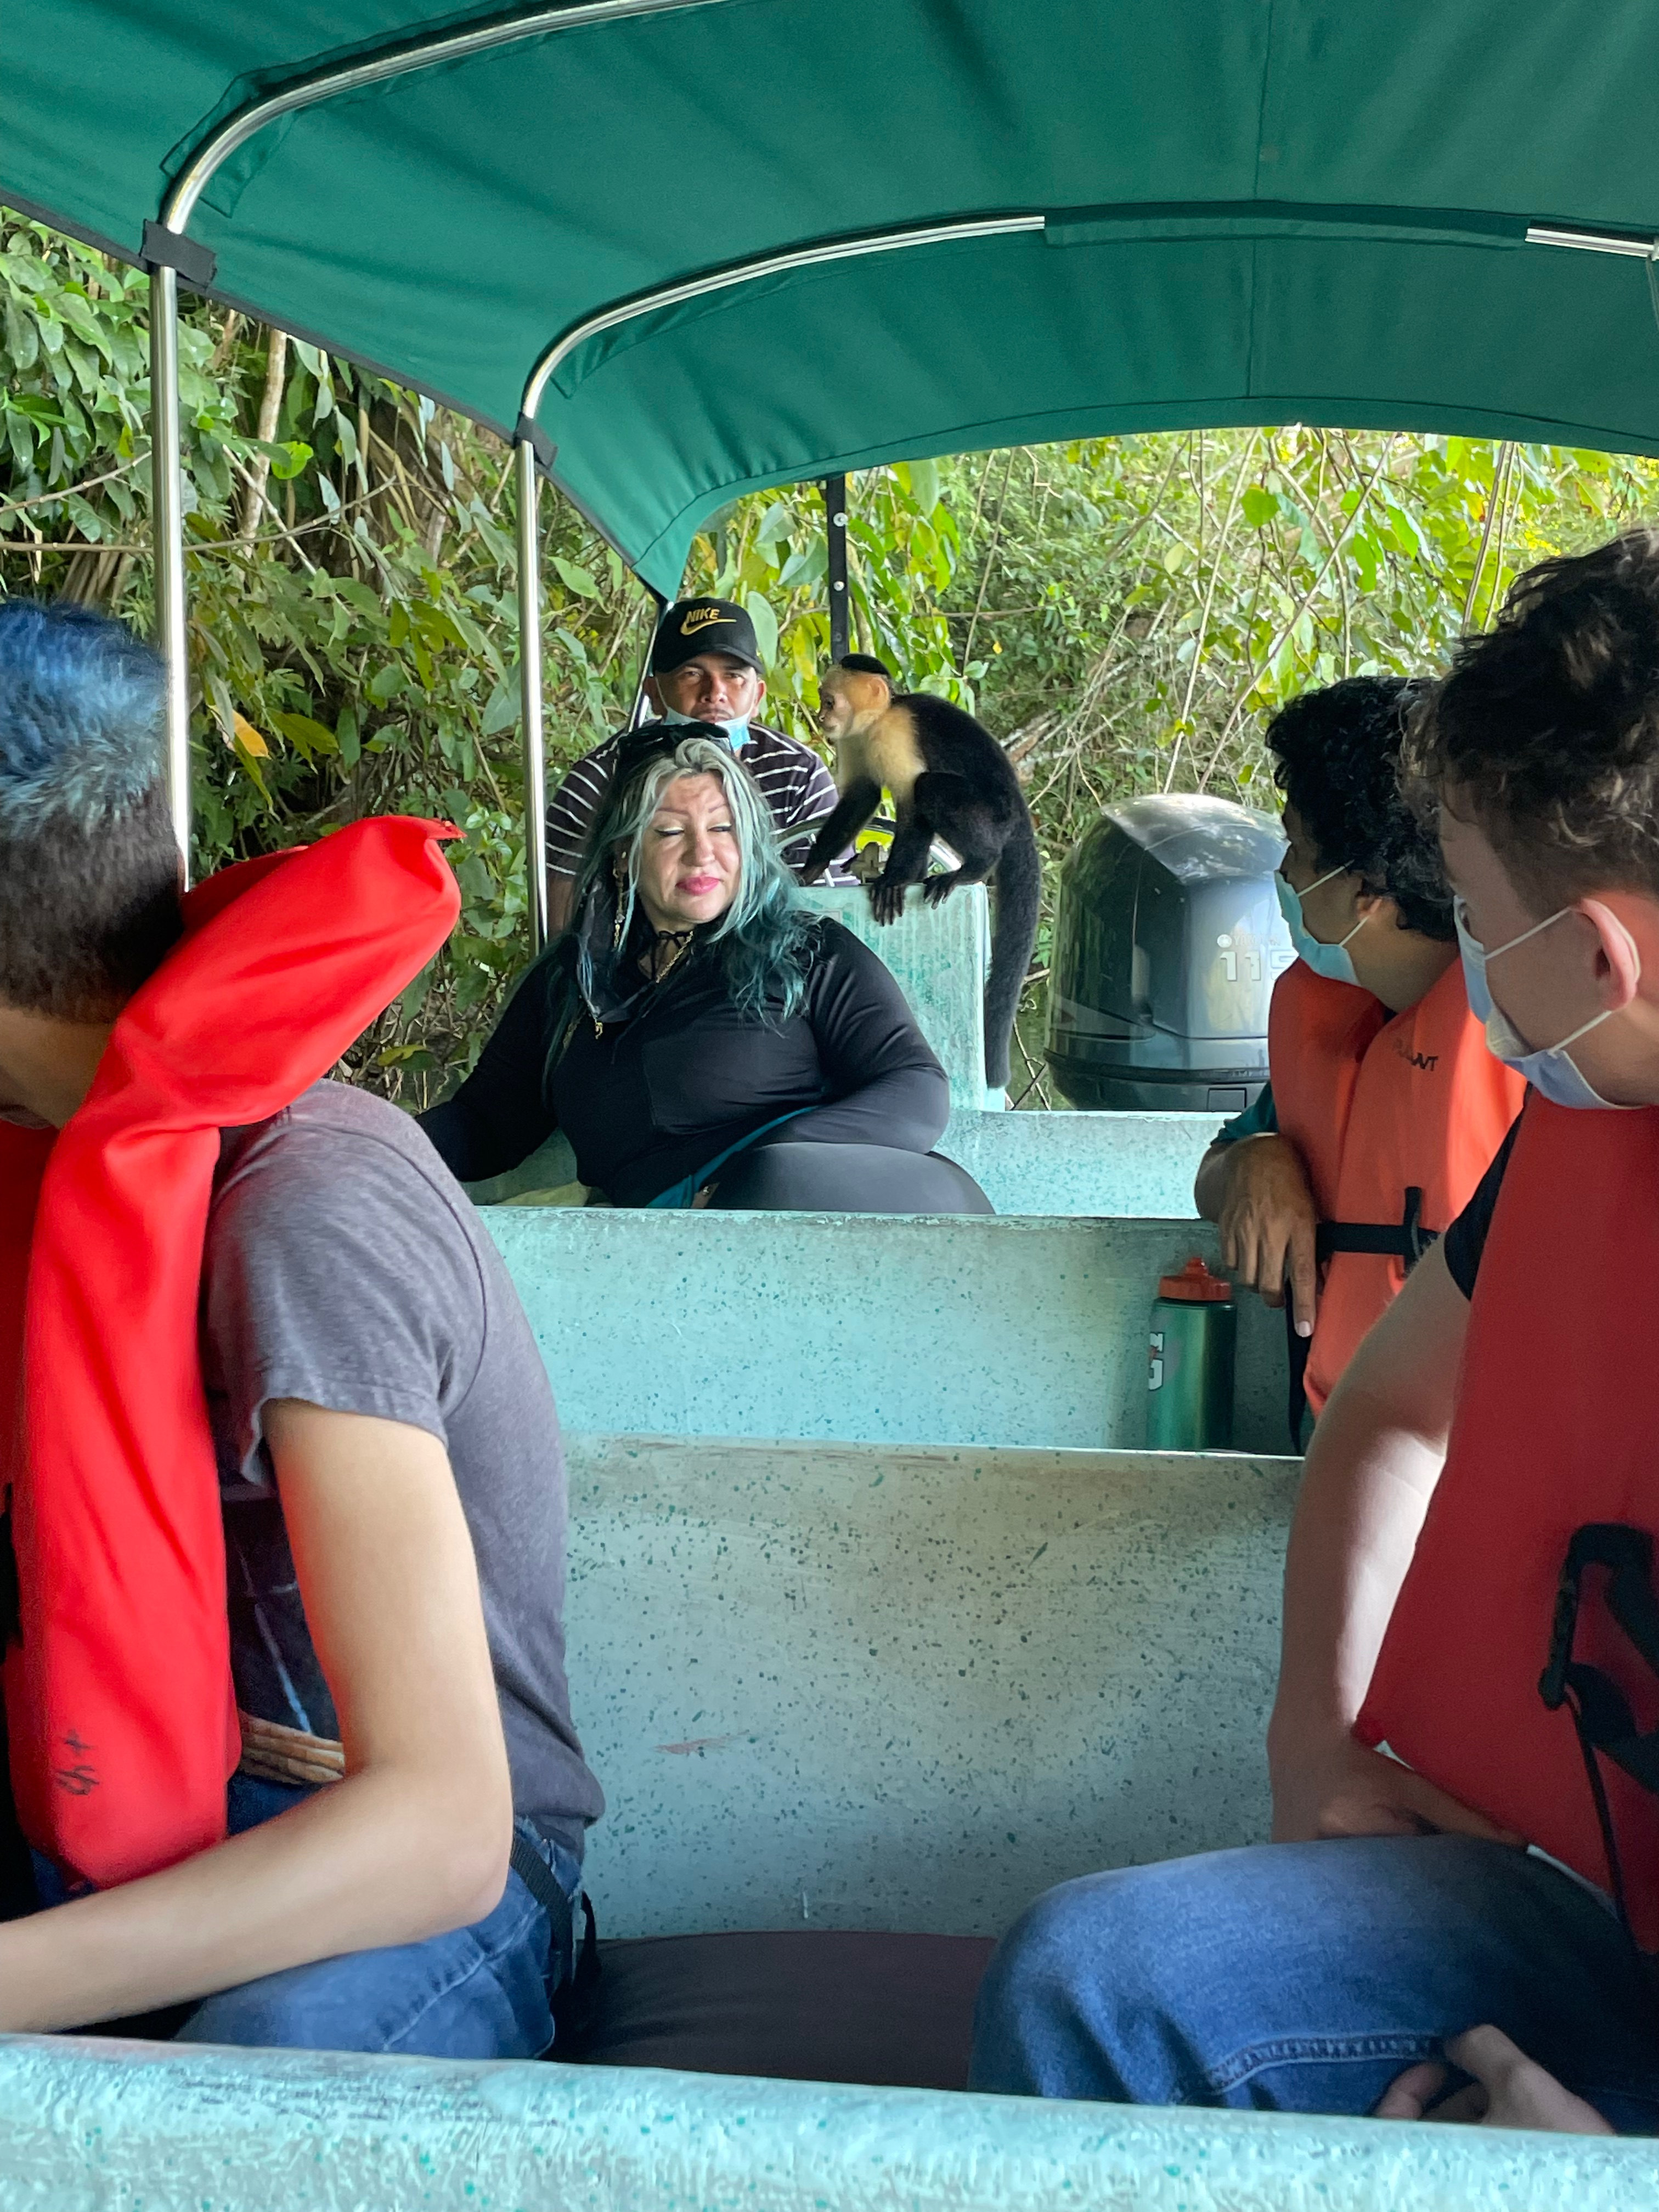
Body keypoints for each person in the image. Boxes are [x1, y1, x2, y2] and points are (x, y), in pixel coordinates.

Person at [970, 533, 1659, 2137]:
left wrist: (1608, 2165)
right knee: (1098, 1982)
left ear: (1600, 953)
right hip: (1606, 1910)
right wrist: (1319, 1739)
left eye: (1477, 918)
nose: (1465, 975)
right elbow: (1391, 1408)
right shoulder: (1590, 1137)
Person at [0, 599, 602, 2053]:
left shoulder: (306, 1210)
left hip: (411, 1876)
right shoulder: (43, 1163)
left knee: (254, 2086)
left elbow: (442, 1827)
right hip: (126, 1807)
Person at [422, 726, 990, 1213]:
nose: (702, 853)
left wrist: (753, 1168)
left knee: (772, 1182)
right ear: (624, 855)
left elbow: (917, 1093)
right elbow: (485, 1128)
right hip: (669, 1250)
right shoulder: (572, 983)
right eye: (670, 831)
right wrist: (362, 1137)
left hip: (838, 1211)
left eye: (722, 829)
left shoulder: (807, 950)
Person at [1195, 678, 1522, 1440]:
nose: (1283, 874)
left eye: (1298, 849)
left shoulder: (1544, 1045)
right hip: (1345, 1451)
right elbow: (1215, 1170)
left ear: (1365, 893)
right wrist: (1255, 1159)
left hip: (1479, 1456)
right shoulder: (1338, 1016)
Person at [544, 596, 857, 934]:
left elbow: (831, 909)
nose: (715, 693)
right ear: (654, 692)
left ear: (758, 696)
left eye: (735, 676)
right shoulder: (601, 780)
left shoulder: (798, 775)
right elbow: (564, 921)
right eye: (692, 674)